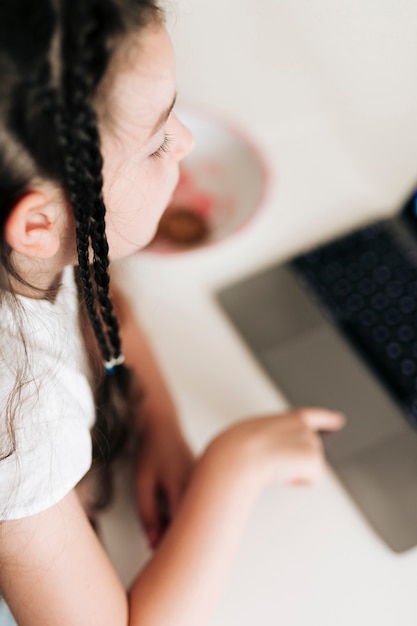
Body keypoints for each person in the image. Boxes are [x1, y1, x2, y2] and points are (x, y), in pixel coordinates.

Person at [0, 0, 344, 624]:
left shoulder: (26, 257)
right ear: (40, 221)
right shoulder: (16, 421)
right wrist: (235, 464)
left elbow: (96, 302)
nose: (183, 141)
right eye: (158, 141)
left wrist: (156, 410)